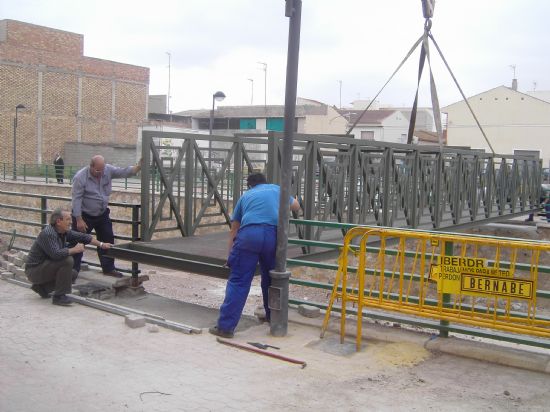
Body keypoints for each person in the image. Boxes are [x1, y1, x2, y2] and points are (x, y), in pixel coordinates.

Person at [209, 172, 300, 338]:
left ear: (250, 185)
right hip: (273, 236)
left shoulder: (245, 196)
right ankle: (274, 319)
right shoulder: (276, 189)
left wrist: (229, 256)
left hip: (249, 235)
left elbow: (234, 230)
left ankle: (225, 328)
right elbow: (296, 206)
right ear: (266, 182)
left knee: (239, 281)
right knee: (272, 278)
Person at [71, 155, 142, 278]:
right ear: (91, 167)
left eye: (102, 169)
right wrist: (78, 219)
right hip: (84, 215)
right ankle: (72, 271)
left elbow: (123, 172)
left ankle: (108, 268)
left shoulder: (107, 170)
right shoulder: (80, 177)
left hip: (102, 214)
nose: (101, 173)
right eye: (98, 170)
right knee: (77, 242)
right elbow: (76, 199)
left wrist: (139, 166)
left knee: (107, 239)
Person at [25, 207, 112, 306]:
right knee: (67, 260)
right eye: (68, 219)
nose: (71, 222)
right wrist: (75, 250)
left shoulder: (63, 232)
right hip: (34, 270)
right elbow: (56, 254)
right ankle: (59, 297)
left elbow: (84, 237)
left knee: (72, 274)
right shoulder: (48, 234)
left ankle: (42, 288)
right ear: (58, 221)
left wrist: (102, 244)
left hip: (44, 268)